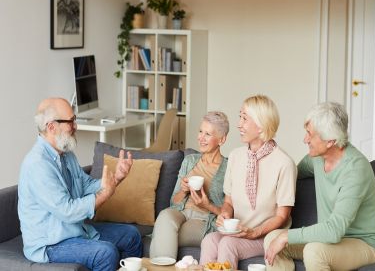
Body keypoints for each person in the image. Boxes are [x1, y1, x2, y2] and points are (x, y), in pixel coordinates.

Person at [18, 98, 142, 271]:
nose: (75, 126)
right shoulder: (38, 165)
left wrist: (116, 178)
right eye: (70, 121)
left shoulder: (66, 154)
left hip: (75, 231)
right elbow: (67, 211)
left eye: (74, 119)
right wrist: (104, 194)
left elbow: (85, 185)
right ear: (51, 127)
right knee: (105, 253)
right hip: (50, 243)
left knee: (132, 236)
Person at [264, 102, 375, 271]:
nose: (305, 139)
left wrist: (287, 236)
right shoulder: (316, 159)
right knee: (272, 238)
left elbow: (334, 230)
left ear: (330, 141)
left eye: (309, 134)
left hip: (363, 243)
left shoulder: (356, 170)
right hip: (328, 240)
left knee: (314, 252)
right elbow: (292, 173)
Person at [200, 95, 297, 269]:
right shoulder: (236, 157)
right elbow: (228, 202)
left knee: (227, 244)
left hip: (265, 237)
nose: (239, 124)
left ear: (260, 125)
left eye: (244, 118)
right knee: (209, 240)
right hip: (238, 233)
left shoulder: (284, 163)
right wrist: (225, 214)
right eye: (240, 117)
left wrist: (255, 232)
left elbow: (283, 216)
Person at [150, 111, 230, 259]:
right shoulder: (189, 160)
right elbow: (174, 202)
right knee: (165, 216)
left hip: (205, 220)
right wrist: (183, 190)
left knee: (165, 233)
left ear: (221, 139)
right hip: (181, 213)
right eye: (200, 131)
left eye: (208, 134)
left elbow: (228, 213)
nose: (201, 138)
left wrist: (207, 206)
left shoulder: (228, 168)